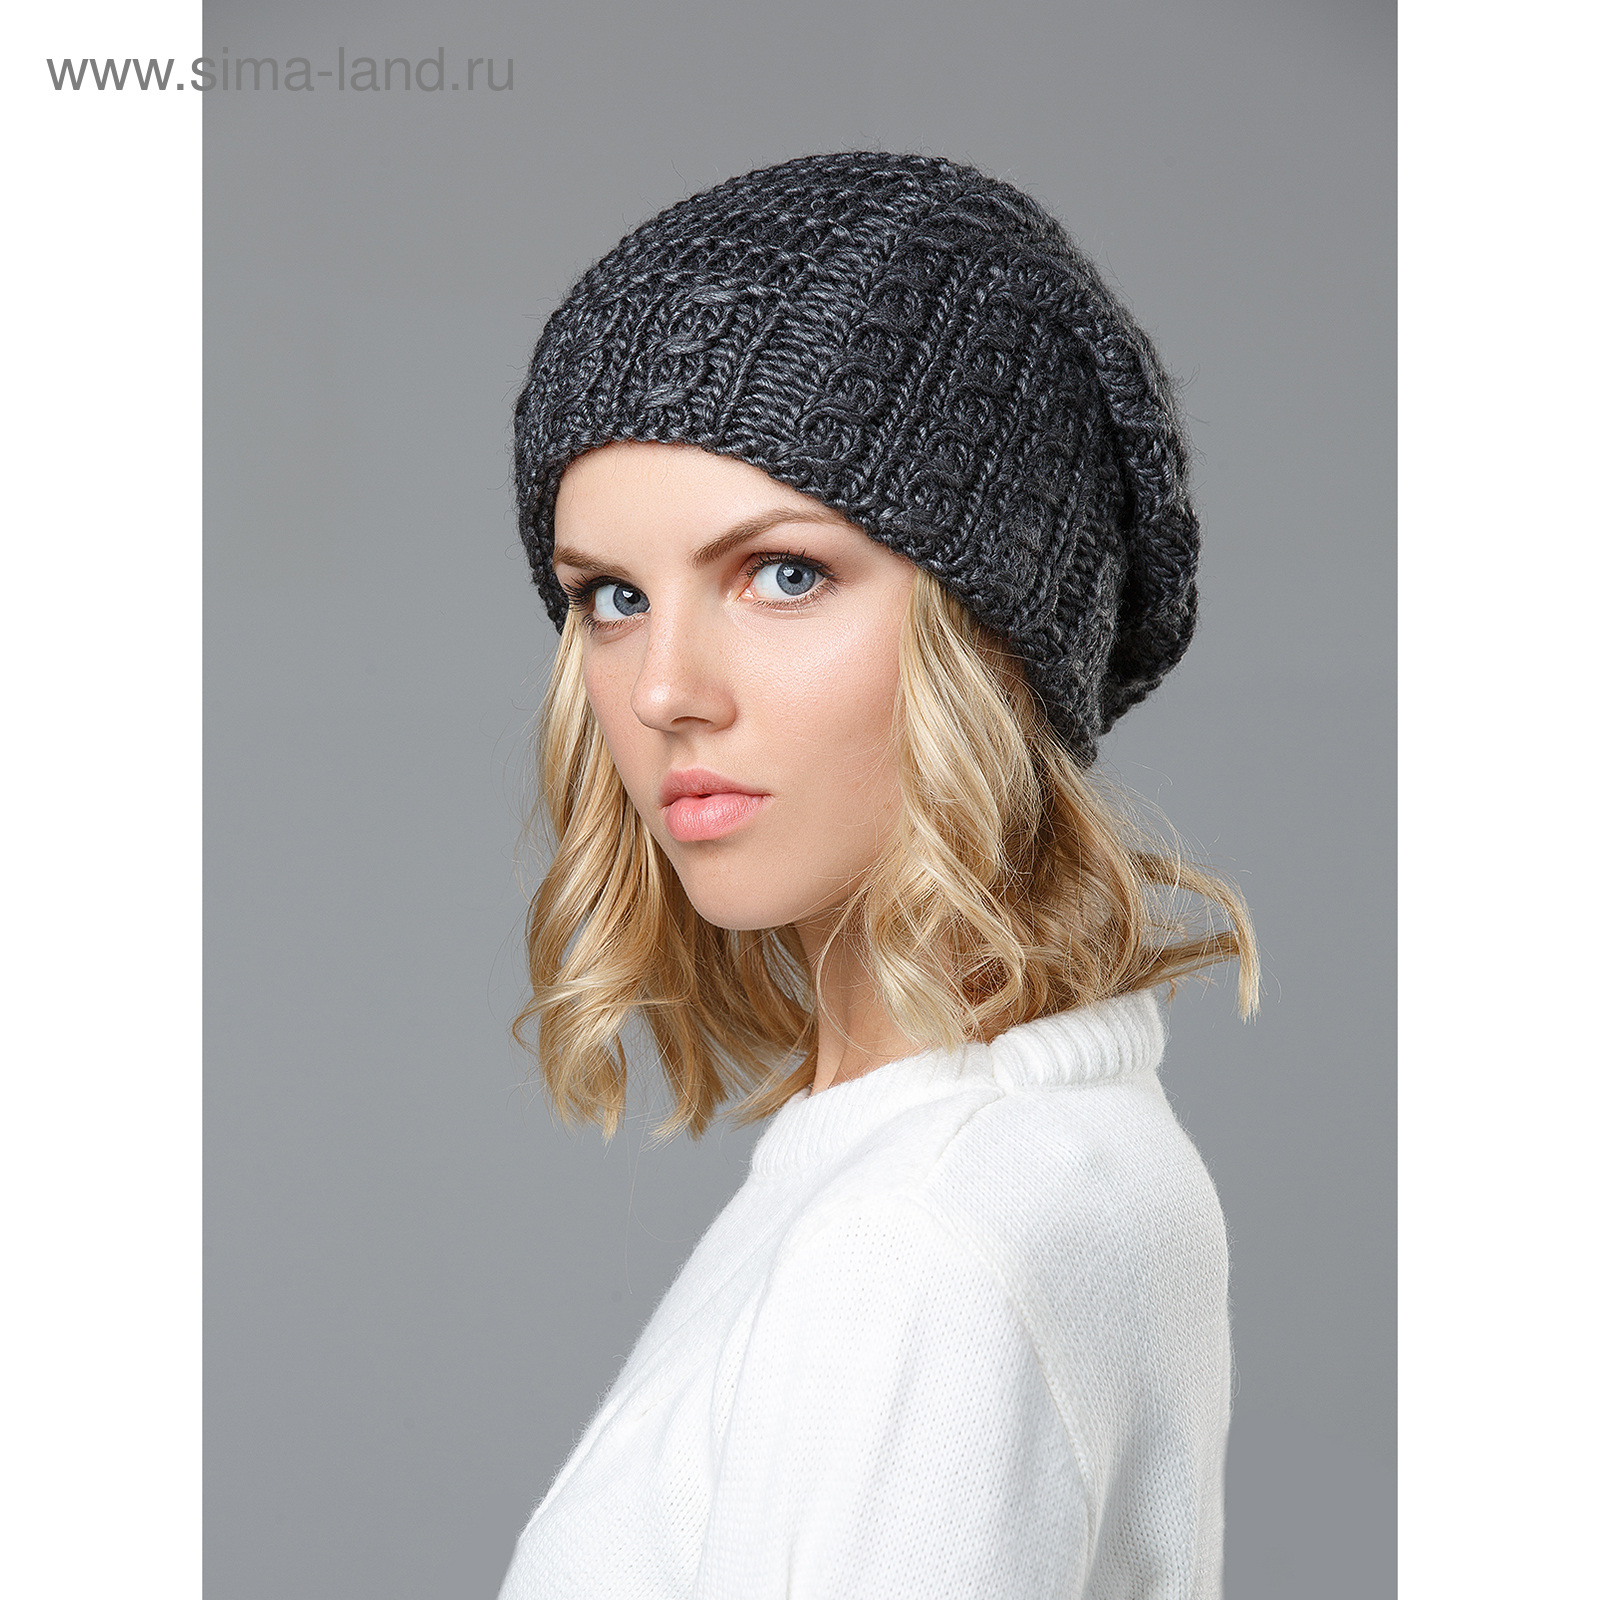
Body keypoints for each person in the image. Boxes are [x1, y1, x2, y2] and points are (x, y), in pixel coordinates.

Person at [499, 151, 1258, 1599]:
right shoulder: (1031, 1157)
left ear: (995, 632)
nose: (663, 690)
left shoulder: (922, 1239)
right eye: (612, 596)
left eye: (782, 573)